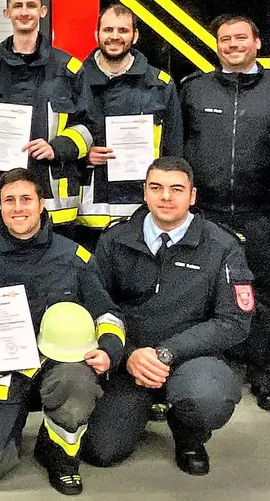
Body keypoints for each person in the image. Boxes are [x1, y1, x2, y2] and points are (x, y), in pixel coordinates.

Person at [0, 169, 125, 495]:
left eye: (26, 199)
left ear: (41, 203)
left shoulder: (74, 257)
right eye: (9, 200)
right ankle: (6, 428)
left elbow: (107, 313)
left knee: (77, 381)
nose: (18, 208)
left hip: (58, 365)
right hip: (1, 367)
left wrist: (107, 349)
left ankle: (58, 452)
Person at [81, 158, 252, 476]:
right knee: (100, 451)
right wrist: (128, 354)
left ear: (193, 196)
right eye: (156, 188)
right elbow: (95, 304)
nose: (166, 197)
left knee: (208, 398)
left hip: (190, 359)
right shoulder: (115, 240)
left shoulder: (222, 247)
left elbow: (234, 321)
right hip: (128, 363)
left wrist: (166, 353)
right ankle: (138, 408)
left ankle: (189, 434)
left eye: (177, 189)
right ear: (144, 193)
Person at [179, 14, 270, 412]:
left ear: (257, 42)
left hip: (263, 213)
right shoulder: (193, 90)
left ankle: (265, 375)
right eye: (225, 39)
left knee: (261, 295)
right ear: (217, 46)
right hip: (207, 213)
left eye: (240, 38)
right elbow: (177, 151)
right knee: (202, 294)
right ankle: (208, 369)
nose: (232, 45)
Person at [0, 0, 89, 234]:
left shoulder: (68, 70)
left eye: (31, 6)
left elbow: (89, 127)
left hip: (56, 203)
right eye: (17, 6)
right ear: (7, 13)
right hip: (3, 205)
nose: (24, 12)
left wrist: (56, 147)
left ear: (42, 11)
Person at [76, 4, 182, 251]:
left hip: (141, 212)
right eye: (108, 29)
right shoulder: (73, 81)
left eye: (122, 30)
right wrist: (82, 155)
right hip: (85, 213)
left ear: (135, 36)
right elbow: (58, 136)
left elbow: (174, 150)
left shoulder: (160, 85)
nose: (114, 36)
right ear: (96, 34)